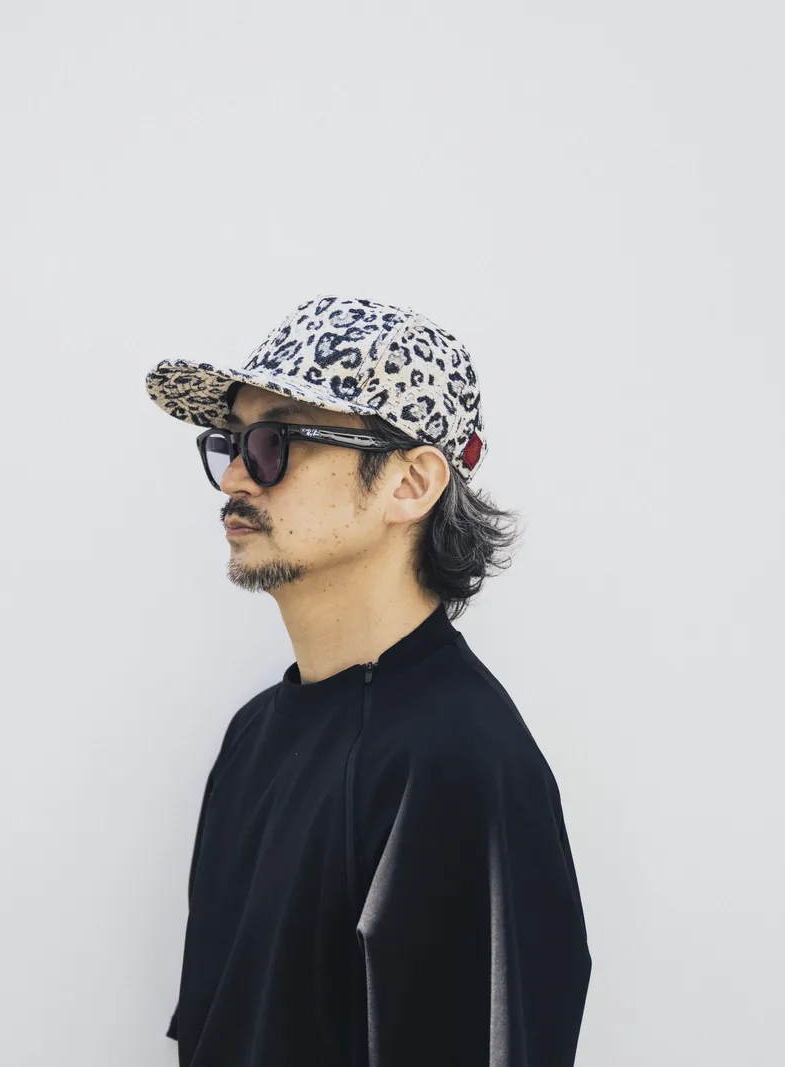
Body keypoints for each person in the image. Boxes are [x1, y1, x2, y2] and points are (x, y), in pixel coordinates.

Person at [143, 294, 591, 1067]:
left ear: (411, 482)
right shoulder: (253, 736)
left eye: (276, 442)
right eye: (231, 443)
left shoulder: (462, 764)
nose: (235, 479)